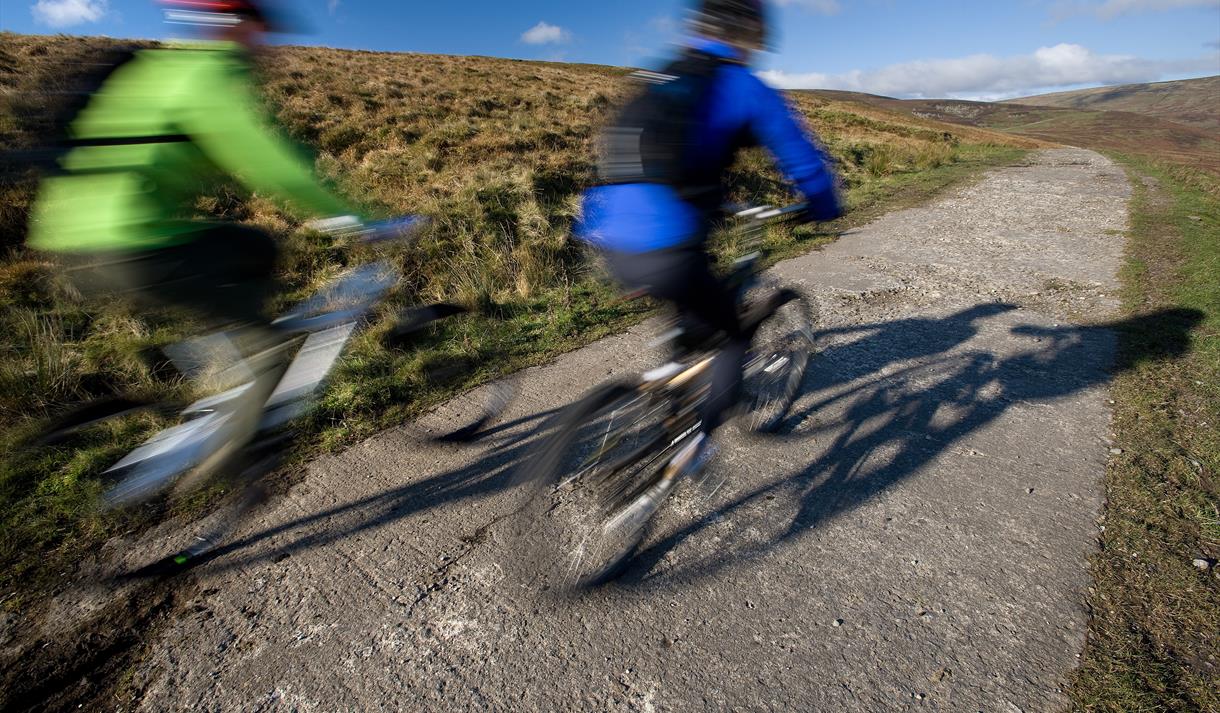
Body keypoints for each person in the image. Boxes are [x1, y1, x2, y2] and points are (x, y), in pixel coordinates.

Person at [26, 0, 364, 496]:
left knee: (256, 245)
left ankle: (225, 353)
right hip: (135, 243)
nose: (262, 45)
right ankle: (236, 457)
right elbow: (267, 161)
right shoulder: (209, 76)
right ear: (233, 27)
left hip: (77, 238)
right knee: (273, 350)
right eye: (256, 32)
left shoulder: (156, 68)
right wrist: (358, 217)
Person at [577, 0, 842, 479]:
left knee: (686, 305)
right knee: (732, 336)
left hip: (604, 229)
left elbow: (655, 158)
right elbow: (804, 163)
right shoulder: (742, 86)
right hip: (667, 240)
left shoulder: (663, 78)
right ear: (748, 35)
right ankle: (694, 444)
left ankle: (666, 384)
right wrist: (823, 206)